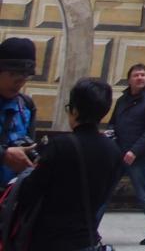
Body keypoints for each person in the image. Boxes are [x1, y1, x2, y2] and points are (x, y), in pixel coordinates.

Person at [16, 77, 120, 251]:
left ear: (75, 110)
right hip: (86, 238)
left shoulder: (59, 146)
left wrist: (25, 171)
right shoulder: (113, 150)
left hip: (50, 239)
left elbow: (29, 193)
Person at [102, 62, 145, 244]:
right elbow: (113, 122)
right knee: (104, 190)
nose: (140, 78)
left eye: (143, 75)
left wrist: (134, 151)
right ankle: (90, 228)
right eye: (136, 75)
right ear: (129, 79)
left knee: (143, 193)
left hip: (137, 156)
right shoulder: (122, 100)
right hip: (118, 151)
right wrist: (110, 136)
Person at [0, 36, 38, 186]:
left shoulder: (26, 105)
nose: (19, 82)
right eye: (13, 74)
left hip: (10, 191)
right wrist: (3, 155)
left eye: (25, 76)